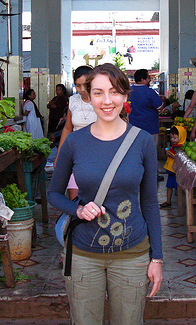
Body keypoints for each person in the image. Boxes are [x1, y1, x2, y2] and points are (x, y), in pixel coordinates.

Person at [47, 63, 163, 324]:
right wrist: (76, 209)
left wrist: (157, 258)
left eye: (114, 92)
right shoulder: (75, 143)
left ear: (125, 95)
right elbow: (54, 193)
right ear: (89, 96)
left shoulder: (142, 141)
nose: (107, 101)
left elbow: (150, 203)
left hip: (132, 254)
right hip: (83, 255)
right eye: (98, 93)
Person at [56, 65, 96, 200]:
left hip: (98, 154)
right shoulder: (73, 101)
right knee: (75, 198)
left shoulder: (102, 101)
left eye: (85, 85)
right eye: (78, 86)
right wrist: (59, 155)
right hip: (76, 154)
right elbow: (68, 128)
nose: (82, 90)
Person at [160, 125, 187, 208]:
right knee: (169, 185)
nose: (172, 140)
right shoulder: (174, 146)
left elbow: (181, 159)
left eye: (175, 138)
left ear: (181, 137)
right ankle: (168, 201)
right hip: (171, 170)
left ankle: (184, 202)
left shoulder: (181, 148)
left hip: (177, 171)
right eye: (171, 138)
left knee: (179, 187)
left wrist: (171, 156)